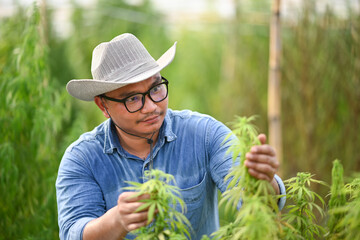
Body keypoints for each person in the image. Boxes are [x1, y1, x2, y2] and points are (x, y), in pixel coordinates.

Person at [56, 33, 286, 240]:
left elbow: (257, 203)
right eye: (132, 99)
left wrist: (260, 182)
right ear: (103, 105)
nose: (150, 107)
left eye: (156, 89)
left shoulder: (204, 135)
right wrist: (117, 220)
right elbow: (73, 232)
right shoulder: (82, 159)